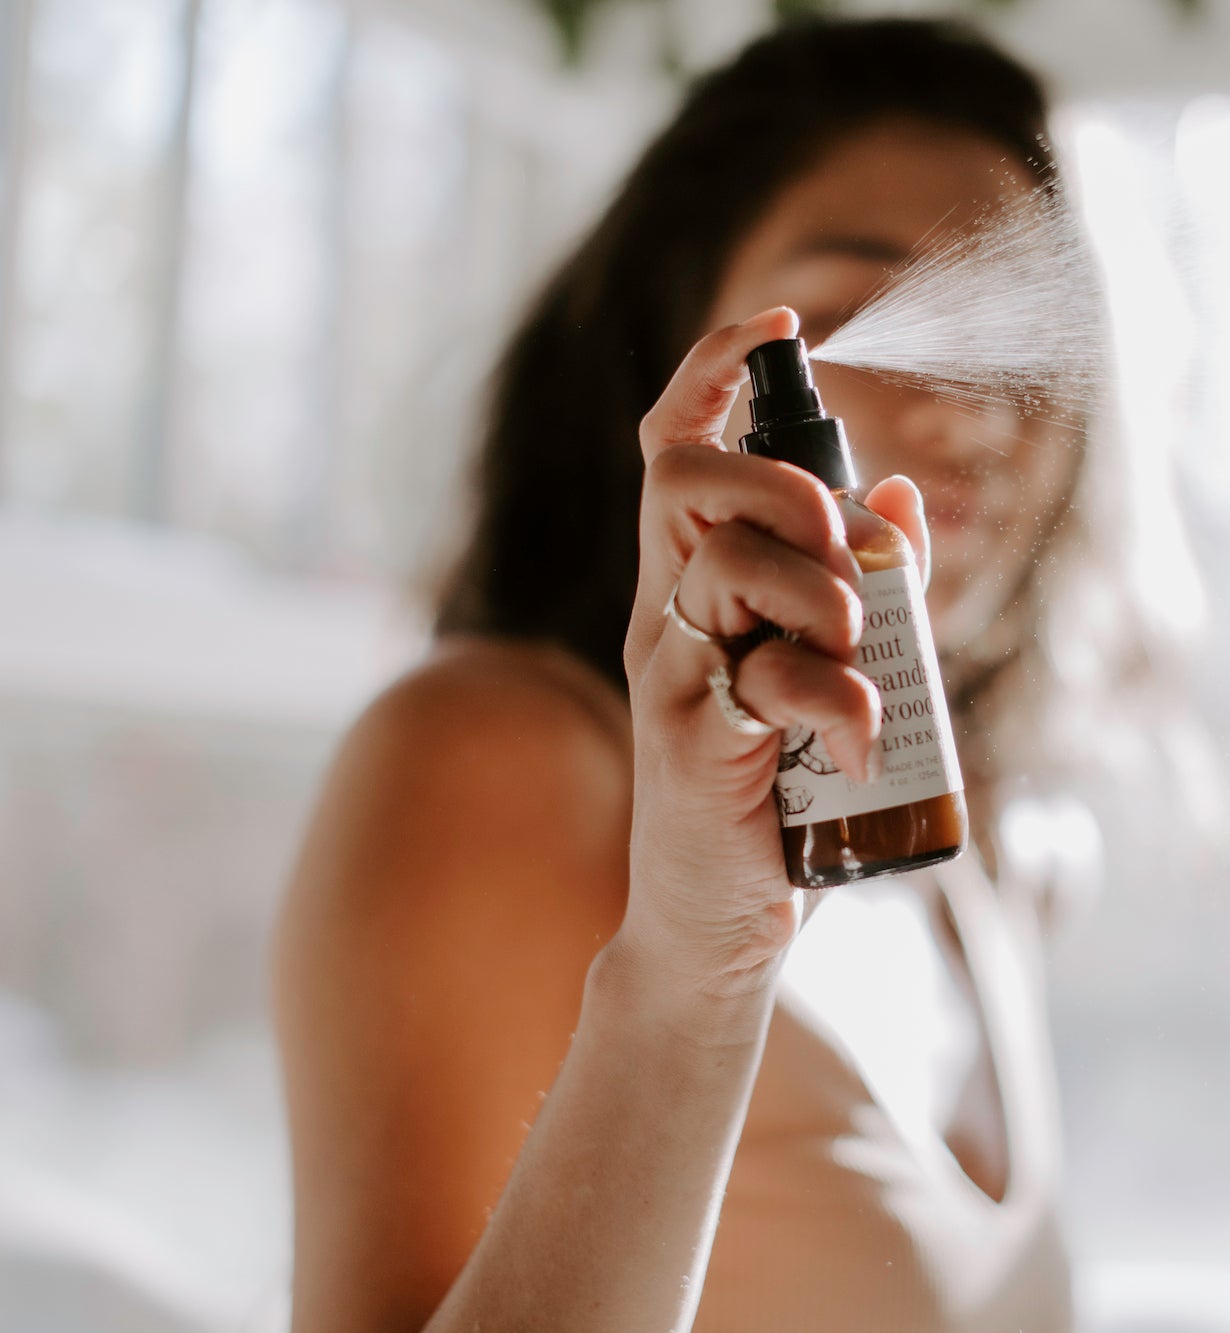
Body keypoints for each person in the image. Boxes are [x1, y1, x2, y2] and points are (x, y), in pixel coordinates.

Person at [273, 18, 1169, 1332]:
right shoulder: (493, 759)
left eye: (1012, 337)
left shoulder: (950, 844)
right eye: (862, 310)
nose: (973, 409)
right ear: (679, 362)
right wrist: (698, 968)